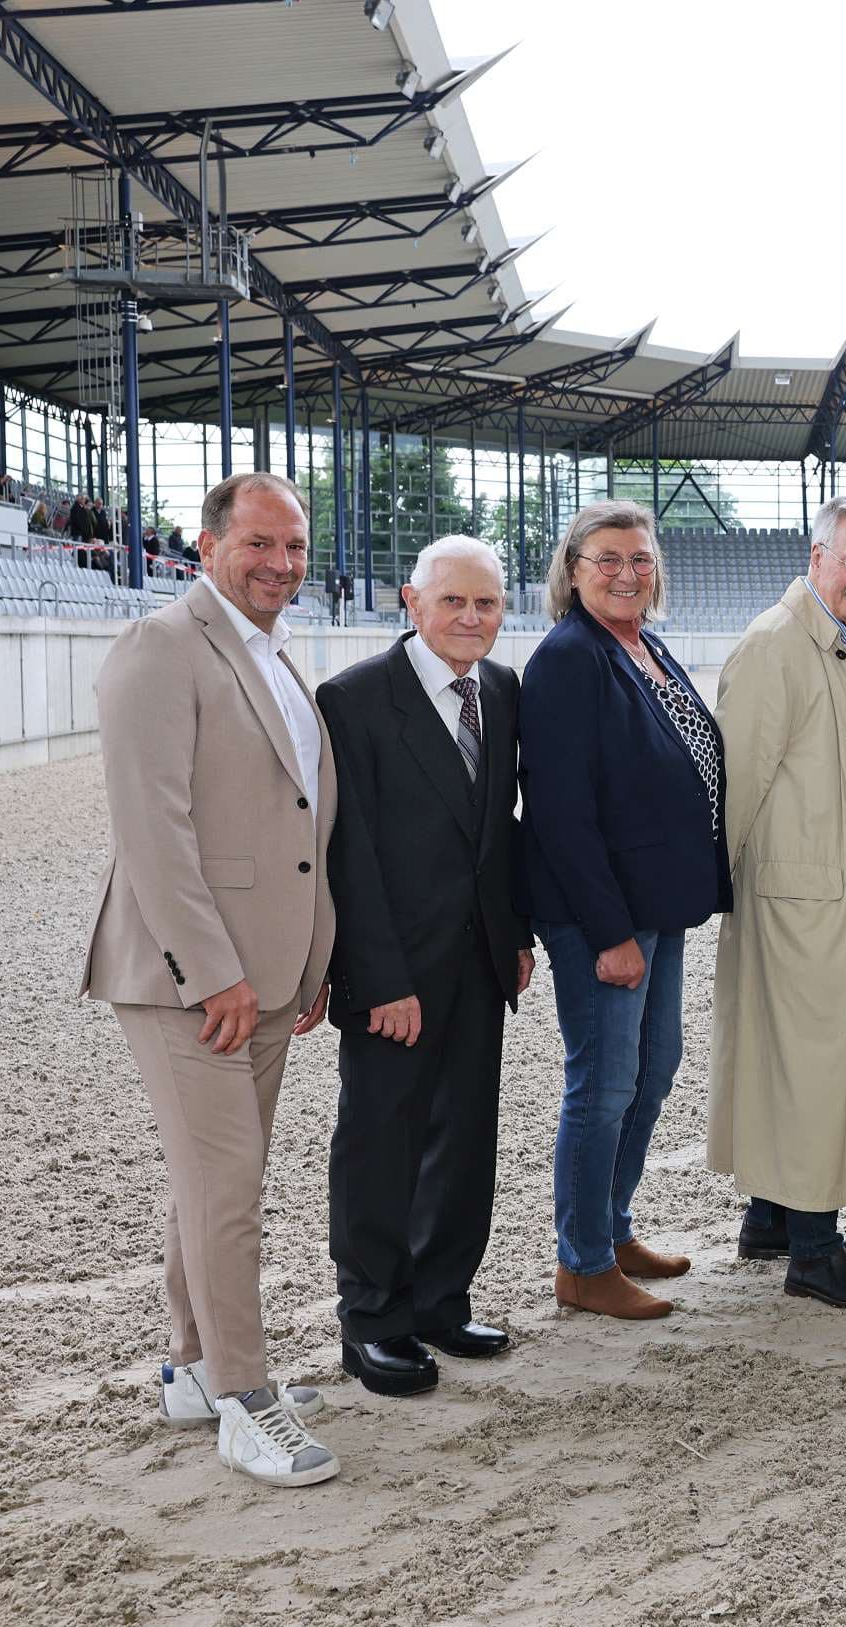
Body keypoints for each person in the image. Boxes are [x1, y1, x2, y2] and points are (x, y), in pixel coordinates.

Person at [80, 471, 340, 1487]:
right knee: (227, 1184)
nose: (280, 562)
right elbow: (154, 829)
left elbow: (296, 823)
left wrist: (307, 958)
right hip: (193, 977)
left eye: (295, 546)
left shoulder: (271, 651)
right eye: (260, 544)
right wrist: (212, 973)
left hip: (268, 974)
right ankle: (243, 1395)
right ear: (207, 543)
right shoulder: (160, 646)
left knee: (214, 1180)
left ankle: (194, 1369)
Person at [317, 535, 531, 1397]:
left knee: (466, 1136)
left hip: (479, 958)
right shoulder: (356, 699)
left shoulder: (504, 690)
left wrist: (513, 936)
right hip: (394, 971)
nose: (472, 618)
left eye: (487, 603)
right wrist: (378, 979)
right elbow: (348, 852)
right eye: (454, 602)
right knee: (381, 1141)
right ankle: (372, 1318)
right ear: (412, 600)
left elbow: (500, 830)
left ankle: (442, 1298)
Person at [519, 501, 730, 1321]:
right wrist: (610, 934)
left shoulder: (644, 646)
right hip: (603, 917)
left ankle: (612, 1225)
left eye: (639, 559)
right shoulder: (569, 660)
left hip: (659, 905)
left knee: (655, 1067)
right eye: (606, 559)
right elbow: (562, 812)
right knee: (604, 1085)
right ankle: (582, 1262)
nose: (625, 572)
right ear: (572, 570)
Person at [710, 498, 846, 1310]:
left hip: (841, 890)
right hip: (795, 900)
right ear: (816, 555)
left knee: (807, 1063)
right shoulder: (775, 645)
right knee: (816, 1068)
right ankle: (815, 1251)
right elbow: (735, 790)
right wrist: (721, 898)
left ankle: (772, 1218)